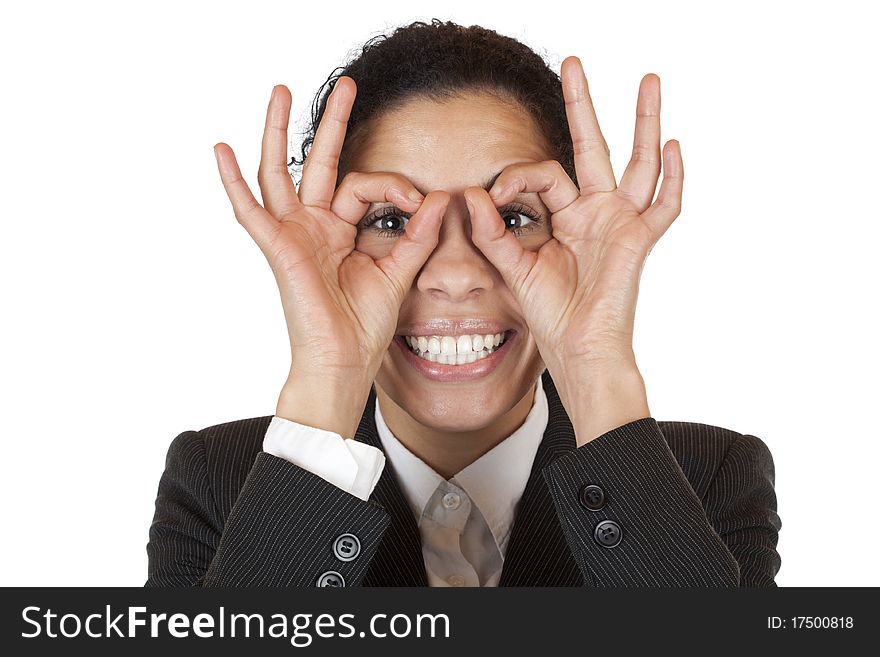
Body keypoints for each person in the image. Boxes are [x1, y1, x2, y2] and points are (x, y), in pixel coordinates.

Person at [145, 19, 781, 587]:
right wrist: (325, 380)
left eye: (511, 215)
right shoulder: (220, 483)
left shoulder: (708, 480)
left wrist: (596, 367)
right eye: (392, 221)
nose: (453, 273)